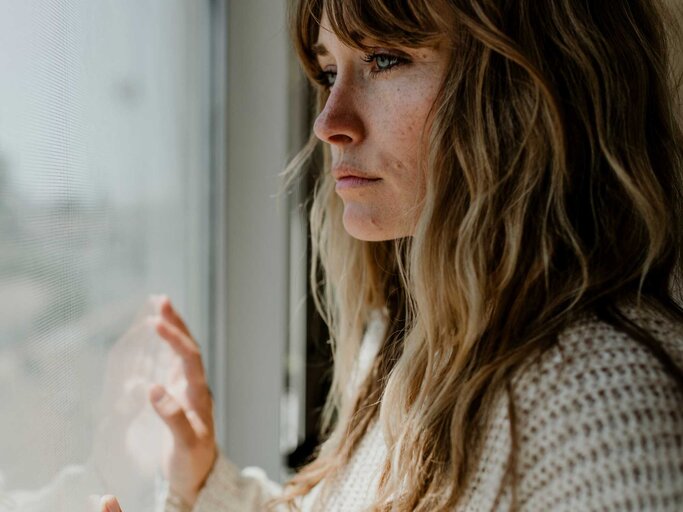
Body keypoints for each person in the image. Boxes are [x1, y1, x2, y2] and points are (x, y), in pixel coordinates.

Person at [102, 0, 683, 510]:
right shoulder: (414, 341)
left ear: (532, 84)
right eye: (329, 72)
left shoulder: (606, 413)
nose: (329, 123)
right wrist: (203, 479)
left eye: (385, 59)